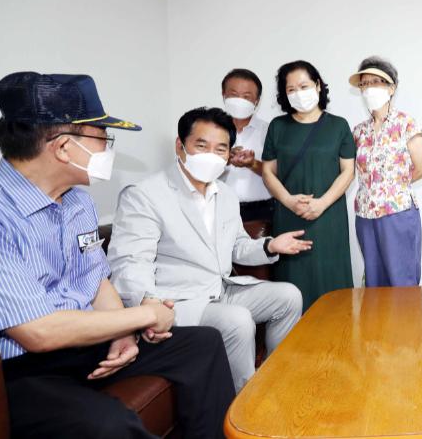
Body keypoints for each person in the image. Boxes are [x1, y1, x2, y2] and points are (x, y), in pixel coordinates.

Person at [0, 72, 235, 439]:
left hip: (87, 339)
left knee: (203, 344)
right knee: (109, 424)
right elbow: (38, 332)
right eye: (103, 138)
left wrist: (124, 332)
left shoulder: (78, 201)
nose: (108, 150)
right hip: (25, 367)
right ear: (64, 147)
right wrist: (146, 314)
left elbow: (96, 278)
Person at [108, 107, 309, 392]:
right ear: (180, 146)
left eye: (220, 149)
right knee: (237, 320)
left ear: (228, 155)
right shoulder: (144, 195)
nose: (211, 156)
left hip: (220, 289)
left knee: (288, 296)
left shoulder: (225, 194)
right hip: (178, 301)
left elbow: (237, 246)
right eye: (201, 146)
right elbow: (130, 261)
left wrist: (270, 245)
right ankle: (244, 401)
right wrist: (148, 305)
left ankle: (276, 380)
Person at [261, 60, 355, 311]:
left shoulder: (338, 125)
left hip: (329, 217)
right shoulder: (278, 127)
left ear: (318, 86)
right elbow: (268, 171)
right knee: (293, 284)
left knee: (331, 282)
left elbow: (348, 171)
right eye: (291, 89)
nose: (298, 93)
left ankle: (337, 331)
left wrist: (322, 203)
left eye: (303, 86)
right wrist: (289, 201)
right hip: (289, 215)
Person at [349, 56, 422, 287]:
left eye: (376, 82)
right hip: (365, 215)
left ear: (391, 88)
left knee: (402, 280)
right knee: (374, 282)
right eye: (364, 84)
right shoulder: (358, 131)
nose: (369, 88)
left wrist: (391, 188)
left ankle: (406, 315)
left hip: (397, 212)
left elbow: (421, 168)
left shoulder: (406, 123)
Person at [221, 69, 274, 222]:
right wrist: (223, 158)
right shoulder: (211, 132)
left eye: (246, 97)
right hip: (220, 209)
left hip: (261, 212)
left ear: (257, 101)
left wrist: (252, 164)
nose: (239, 100)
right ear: (223, 95)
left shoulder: (269, 131)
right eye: (233, 94)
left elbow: (279, 173)